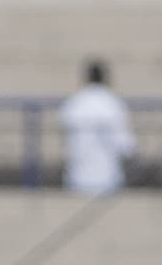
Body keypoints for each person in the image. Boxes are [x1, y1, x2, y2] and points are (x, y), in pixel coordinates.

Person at [58, 58, 136, 195]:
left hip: (77, 178)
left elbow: (64, 138)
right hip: (108, 179)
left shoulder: (74, 104)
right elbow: (126, 146)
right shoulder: (112, 104)